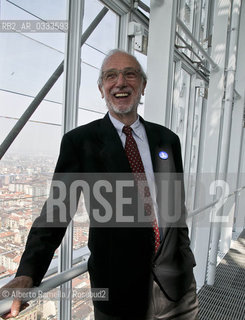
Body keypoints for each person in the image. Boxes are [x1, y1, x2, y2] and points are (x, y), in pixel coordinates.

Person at [0, 49, 198, 319]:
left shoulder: (167, 140)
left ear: (142, 86)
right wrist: (27, 273)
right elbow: (57, 211)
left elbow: (176, 207)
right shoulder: (80, 142)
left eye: (130, 74)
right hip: (117, 289)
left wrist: (183, 252)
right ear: (101, 88)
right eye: (110, 76)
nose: (120, 82)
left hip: (176, 283)